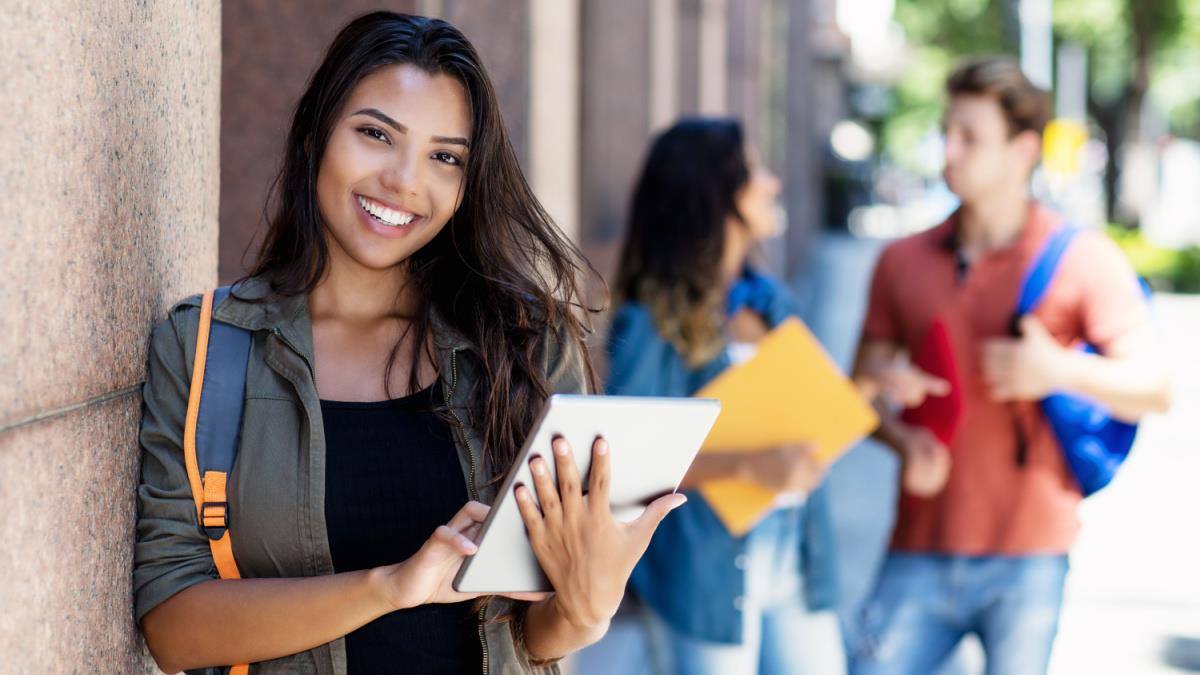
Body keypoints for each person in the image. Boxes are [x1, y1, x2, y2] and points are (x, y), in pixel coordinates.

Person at [133, 12, 687, 675]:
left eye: (444, 156)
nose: (404, 180)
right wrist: (391, 586)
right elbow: (172, 624)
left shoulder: (521, 344)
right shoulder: (205, 349)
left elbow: (537, 638)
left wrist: (589, 605)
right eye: (375, 134)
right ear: (313, 137)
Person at [850, 57, 1173, 675]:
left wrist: (1055, 370)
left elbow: (1155, 389)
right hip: (917, 547)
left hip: (1030, 556)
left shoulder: (1081, 258)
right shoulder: (901, 262)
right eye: (946, 130)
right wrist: (898, 432)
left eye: (970, 136)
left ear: (1024, 149)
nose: (948, 149)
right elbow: (857, 390)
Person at [591, 118, 846, 675]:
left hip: (796, 554)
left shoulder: (772, 299)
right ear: (713, 193)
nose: (773, 183)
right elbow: (628, 466)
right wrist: (752, 466)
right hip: (706, 574)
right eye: (753, 171)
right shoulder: (650, 323)